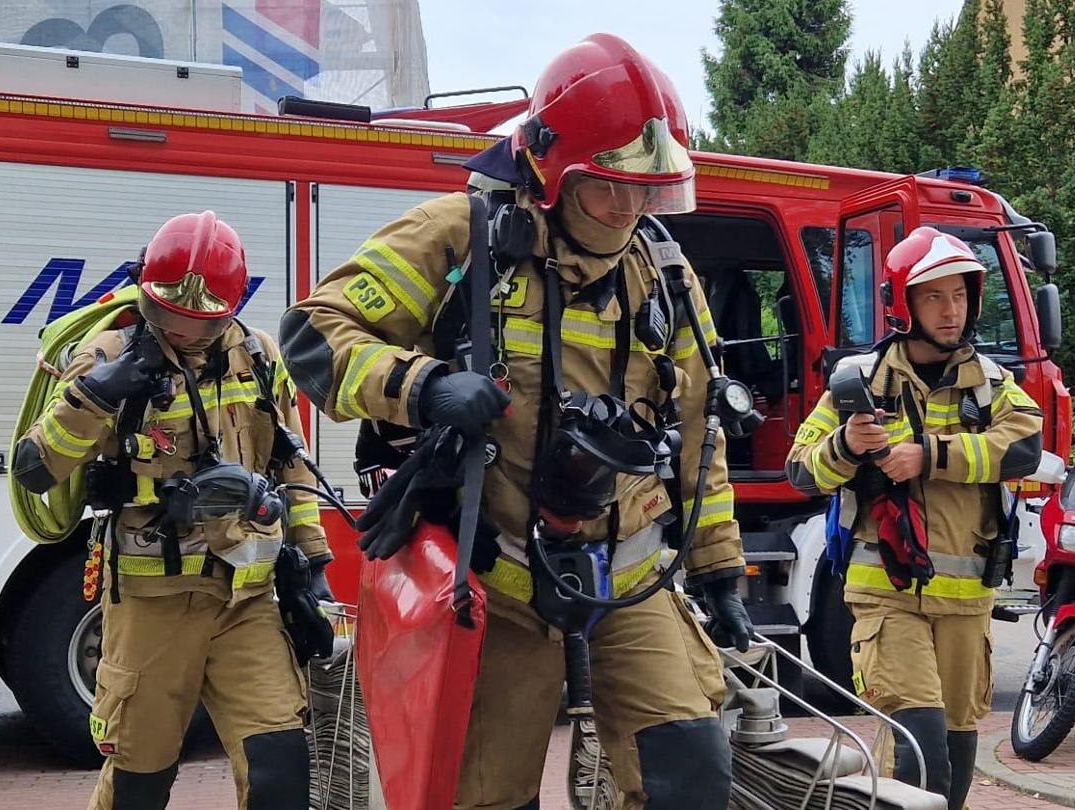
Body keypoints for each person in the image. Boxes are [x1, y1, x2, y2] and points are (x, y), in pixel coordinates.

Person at [281, 33, 751, 810]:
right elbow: (313, 333)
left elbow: (701, 431)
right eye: (608, 188)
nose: (629, 209)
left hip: (631, 575)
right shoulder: (460, 236)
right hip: (499, 583)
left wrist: (717, 565)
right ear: (553, 172)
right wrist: (422, 384)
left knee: (689, 774)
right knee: (485, 798)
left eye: (646, 191)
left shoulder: (664, 274)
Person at [13, 211, 335, 810]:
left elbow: (292, 465)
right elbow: (36, 469)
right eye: (171, 315)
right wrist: (96, 394)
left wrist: (314, 565)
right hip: (152, 606)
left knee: (281, 771)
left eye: (202, 320)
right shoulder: (110, 353)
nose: (185, 329)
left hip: (248, 600)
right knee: (140, 782)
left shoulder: (258, 355)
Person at [786, 227, 1044, 810]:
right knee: (918, 741)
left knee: (955, 754)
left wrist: (929, 455)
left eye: (959, 296)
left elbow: (1025, 447)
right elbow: (801, 471)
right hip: (887, 594)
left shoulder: (995, 385)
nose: (950, 311)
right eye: (933, 297)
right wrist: (848, 446)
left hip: (967, 599)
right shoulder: (858, 384)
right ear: (902, 304)